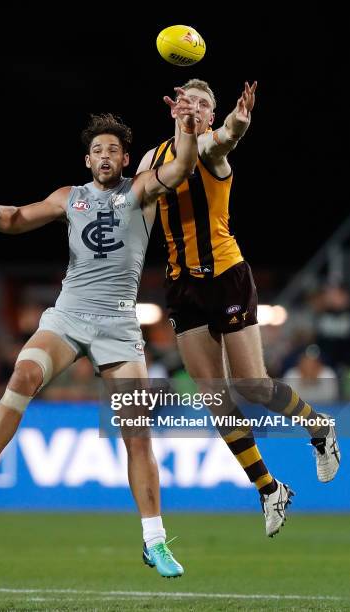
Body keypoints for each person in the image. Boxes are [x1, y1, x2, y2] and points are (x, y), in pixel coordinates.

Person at [0, 92, 198, 578]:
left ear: (126, 158)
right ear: (88, 159)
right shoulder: (69, 196)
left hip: (119, 327)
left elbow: (183, 166)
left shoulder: (141, 190)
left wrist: (185, 126)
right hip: (69, 316)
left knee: (136, 436)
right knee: (22, 374)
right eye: (97, 150)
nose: (105, 156)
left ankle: (155, 541)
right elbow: (19, 218)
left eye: (113, 150)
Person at [137, 79, 341, 537]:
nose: (195, 108)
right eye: (188, 101)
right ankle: (269, 489)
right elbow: (139, 206)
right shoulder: (154, 159)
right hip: (181, 286)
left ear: (210, 116)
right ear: (174, 109)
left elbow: (227, 137)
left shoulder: (213, 148)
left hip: (226, 275)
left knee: (251, 385)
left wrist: (238, 124)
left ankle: (319, 428)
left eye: (205, 105)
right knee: (216, 399)